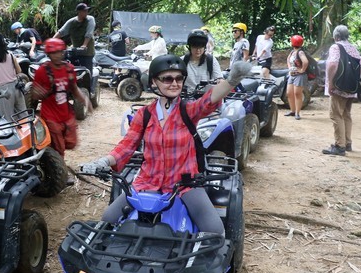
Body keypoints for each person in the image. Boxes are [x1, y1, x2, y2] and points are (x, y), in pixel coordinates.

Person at [81, 55, 251, 232]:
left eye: (179, 78)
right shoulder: (144, 115)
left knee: (215, 230)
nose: (174, 83)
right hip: (146, 182)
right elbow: (127, 145)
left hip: (185, 184)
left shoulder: (188, 110)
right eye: (167, 79)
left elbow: (209, 100)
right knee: (107, 220)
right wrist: (103, 162)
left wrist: (232, 79)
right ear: (154, 82)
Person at [31, 38, 91, 185]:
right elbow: (34, 96)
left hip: (66, 113)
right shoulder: (42, 71)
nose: (58, 55)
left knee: (71, 142)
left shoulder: (69, 69)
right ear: (49, 54)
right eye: (54, 52)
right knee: (59, 148)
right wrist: (41, 92)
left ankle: (52, 162)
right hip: (50, 115)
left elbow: (74, 89)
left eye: (60, 52)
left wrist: (85, 101)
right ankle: (61, 175)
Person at [322, 25, 361, 156]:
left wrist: (331, 83)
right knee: (346, 114)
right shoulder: (354, 48)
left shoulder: (336, 47)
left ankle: (340, 146)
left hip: (339, 87)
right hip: (351, 87)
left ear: (336, 36)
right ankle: (347, 143)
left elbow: (333, 64)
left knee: (335, 115)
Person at [0, 32, 26, 121]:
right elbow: (19, 71)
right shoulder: (11, 56)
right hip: (17, 87)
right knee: (23, 116)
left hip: (3, 91)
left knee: (7, 119)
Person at [53, 3, 96, 75]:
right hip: (75, 51)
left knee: (87, 73)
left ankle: (89, 86)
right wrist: (51, 41)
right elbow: (61, 32)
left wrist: (84, 45)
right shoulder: (71, 22)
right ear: (79, 12)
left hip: (87, 52)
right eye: (84, 11)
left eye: (87, 11)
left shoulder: (90, 19)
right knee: (68, 69)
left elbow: (89, 33)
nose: (86, 12)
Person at [182, 29, 223, 94]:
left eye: (201, 46)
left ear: (204, 47)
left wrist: (220, 82)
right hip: (186, 97)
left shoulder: (211, 60)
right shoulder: (182, 61)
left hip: (206, 98)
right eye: (195, 46)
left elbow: (219, 78)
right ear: (189, 47)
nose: (198, 50)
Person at [285, 35, 309, 120]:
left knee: (297, 94)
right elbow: (288, 59)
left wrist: (302, 70)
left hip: (299, 76)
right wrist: (290, 68)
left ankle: (297, 113)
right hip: (292, 74)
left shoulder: (300, 52)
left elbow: (305, 62)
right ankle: (292, 111)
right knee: (289, 93)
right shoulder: (292, 52)